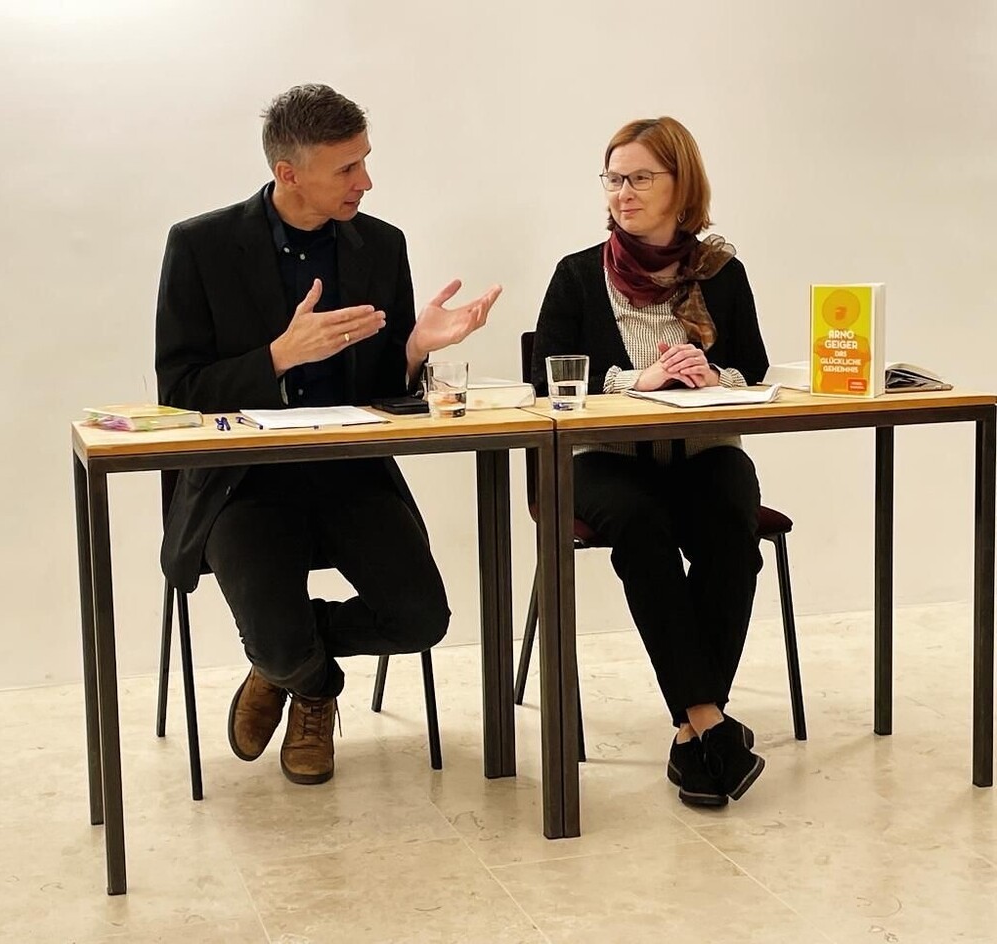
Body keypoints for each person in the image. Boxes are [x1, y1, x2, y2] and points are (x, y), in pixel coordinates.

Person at [155, 84, 501, 785]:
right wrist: (277, 358)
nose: (365, 181)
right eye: (347, 167)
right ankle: (312, 687)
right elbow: (179, 393)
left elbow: (385, 390)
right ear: (288, 173)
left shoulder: (381, 245)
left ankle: (282, 662)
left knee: (421, 621)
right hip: (244, 485)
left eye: (365, 160)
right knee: (282, 640)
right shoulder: (200, 246)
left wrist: (414, 351)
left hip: (351, 474)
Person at [532, 116, 768, 807]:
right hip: (604, 458)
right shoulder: (577, 274)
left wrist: (712, 375)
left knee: (731, 525)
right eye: (613, 179)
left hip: (704, 451)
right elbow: (546, 378)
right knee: (641, 525)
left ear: (681, 185)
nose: (623, 192)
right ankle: (708, 722)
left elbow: (752, 369)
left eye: (639, 177)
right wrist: (636, 380)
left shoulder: (722, 274)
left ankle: (696, 734)